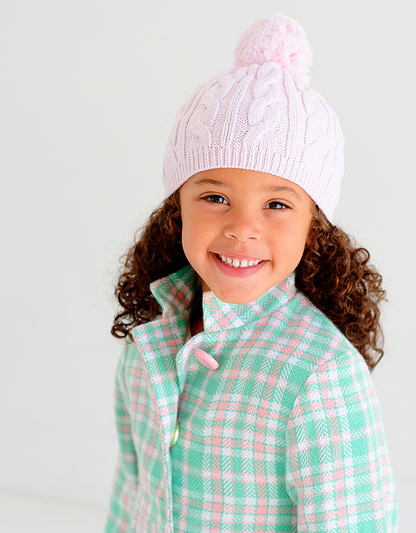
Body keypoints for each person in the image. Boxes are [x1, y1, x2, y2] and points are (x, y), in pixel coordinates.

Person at [105, 13, 398, 532]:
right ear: (177, 211)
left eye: (277, 205)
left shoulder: (320, 374)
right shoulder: (149, 339)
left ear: (314, 228)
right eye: (215, 198)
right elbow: (132, 492)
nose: (242, 228)